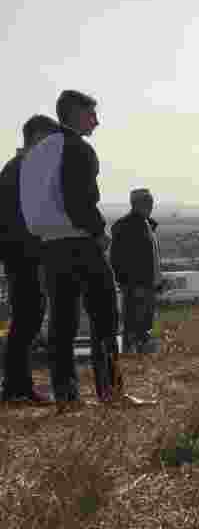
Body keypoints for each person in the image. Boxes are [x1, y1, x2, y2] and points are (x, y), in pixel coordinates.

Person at [20, 90, 122, 408]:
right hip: (79, 242)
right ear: (75, 113)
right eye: (91, 114)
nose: (96, 121)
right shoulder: (76, 148)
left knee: (62, 323)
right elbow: (80, 202)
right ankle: (111, 392)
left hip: (49, 246)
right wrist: (99, 233)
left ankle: (67, 396)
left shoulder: (35, 152)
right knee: (106, 315)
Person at [0, 114, 61, 403]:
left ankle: (17, 385)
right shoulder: (22, 169)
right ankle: (17, 387)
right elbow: (21, 219)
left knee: (27, 318)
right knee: (27, 319)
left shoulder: (18, 168)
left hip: (22, 254)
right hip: (23, 255)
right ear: (37, 137)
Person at [110, 188, 164, 354]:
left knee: (145, 326)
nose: (151, 205)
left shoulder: (148, 225)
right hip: (135, 286)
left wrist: (157, 281)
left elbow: (153, 259)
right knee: (134, 327)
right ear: (138, 204)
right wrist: (127, 283)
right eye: (148, 202)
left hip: (148, 285)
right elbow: (116, 258)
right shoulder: (124, 226)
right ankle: (132, 361)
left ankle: (141, 359)